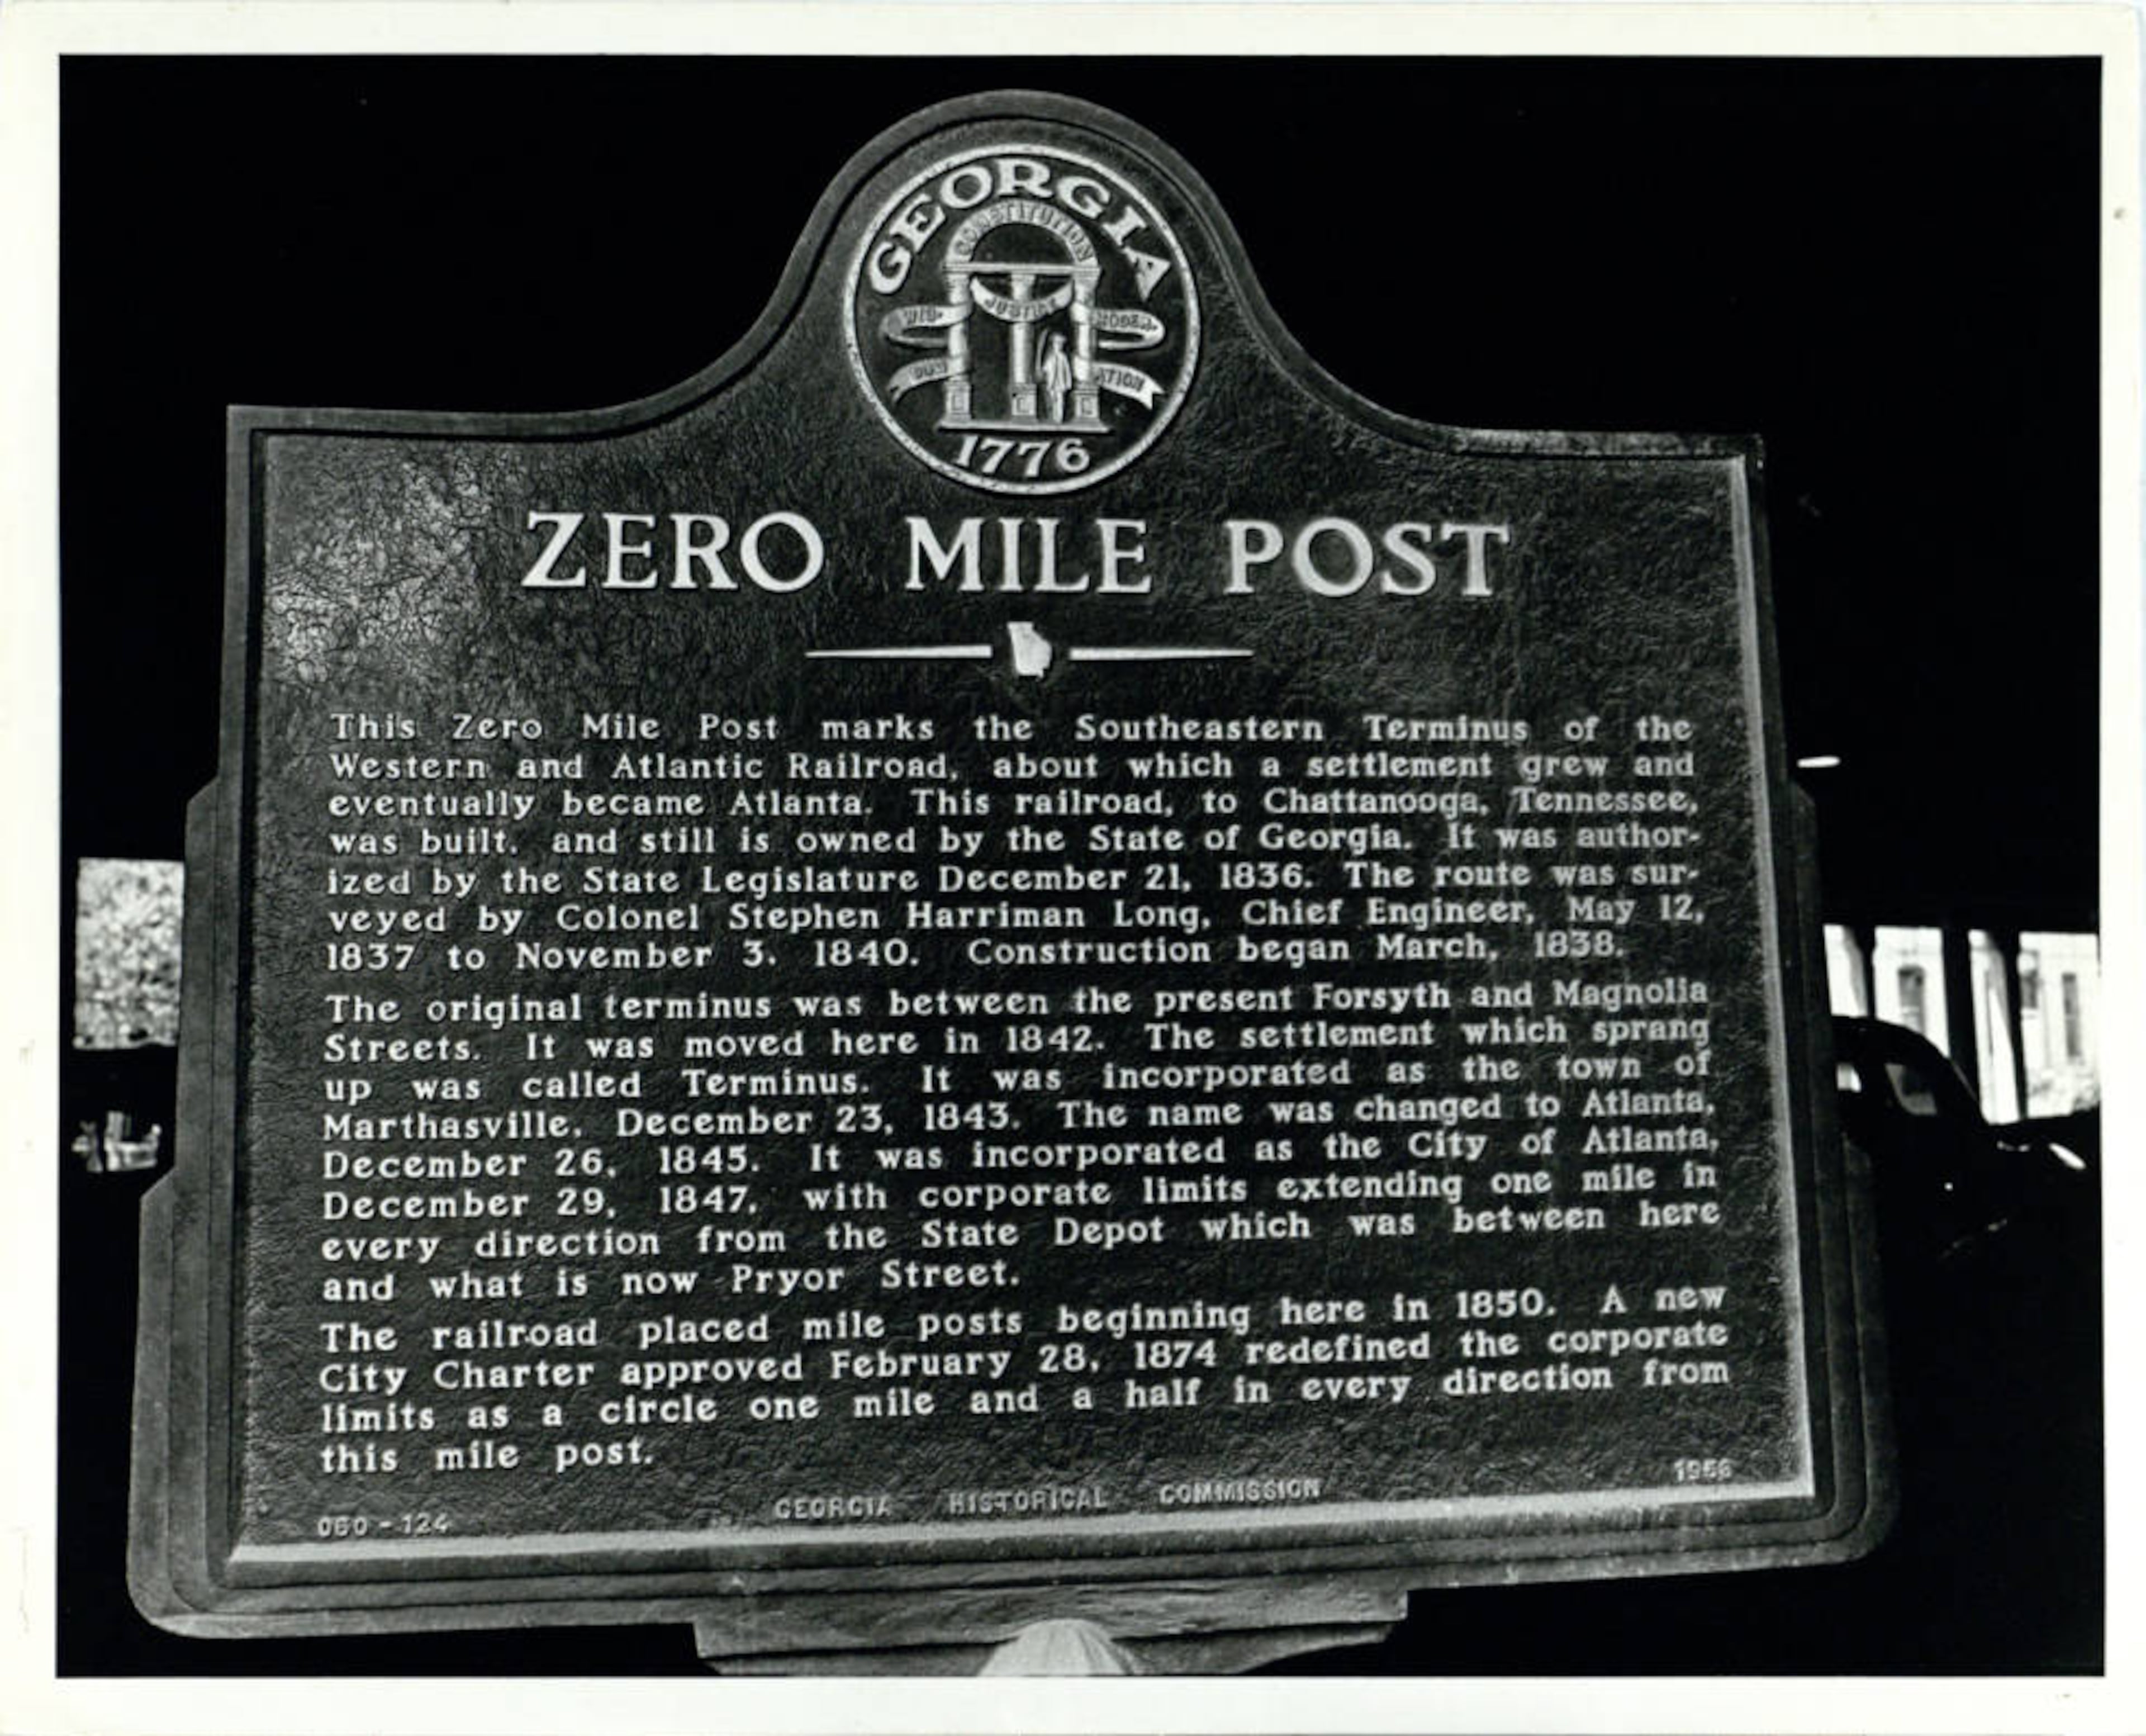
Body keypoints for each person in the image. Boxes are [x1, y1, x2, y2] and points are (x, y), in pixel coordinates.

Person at [1038, 330, 1072, 422]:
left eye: (1060, 344)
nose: (1059, 346)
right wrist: (1043, 373)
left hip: (1061, 384)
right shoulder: (1050, 357)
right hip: (1051, 383)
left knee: (1060, 402)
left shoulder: (1063, 358)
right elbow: (1046, 368)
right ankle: (1052, 417)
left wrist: (1069, 383)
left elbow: (1067, 371)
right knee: (1052, 400)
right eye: (1057, 344)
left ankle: (1059, 419)